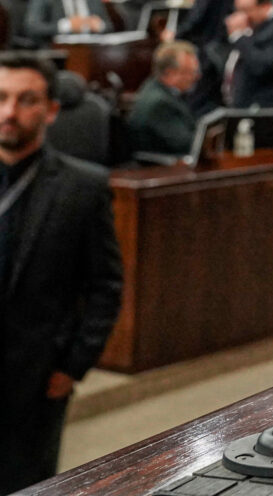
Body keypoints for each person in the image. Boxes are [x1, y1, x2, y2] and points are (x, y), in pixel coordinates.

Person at [0, 52, 123, 493]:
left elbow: (106, 286)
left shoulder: (83, 186)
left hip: (35, 380)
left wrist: (72, 367)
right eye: (1, 98)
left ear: (51, 109)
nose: (9, 112)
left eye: (26, 100)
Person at [126, 41, 200, 156]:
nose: (196, 77)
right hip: (162, 168)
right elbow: (187, 145)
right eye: (189, 72)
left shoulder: (152, 85)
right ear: (170, 73)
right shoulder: (160, 104)